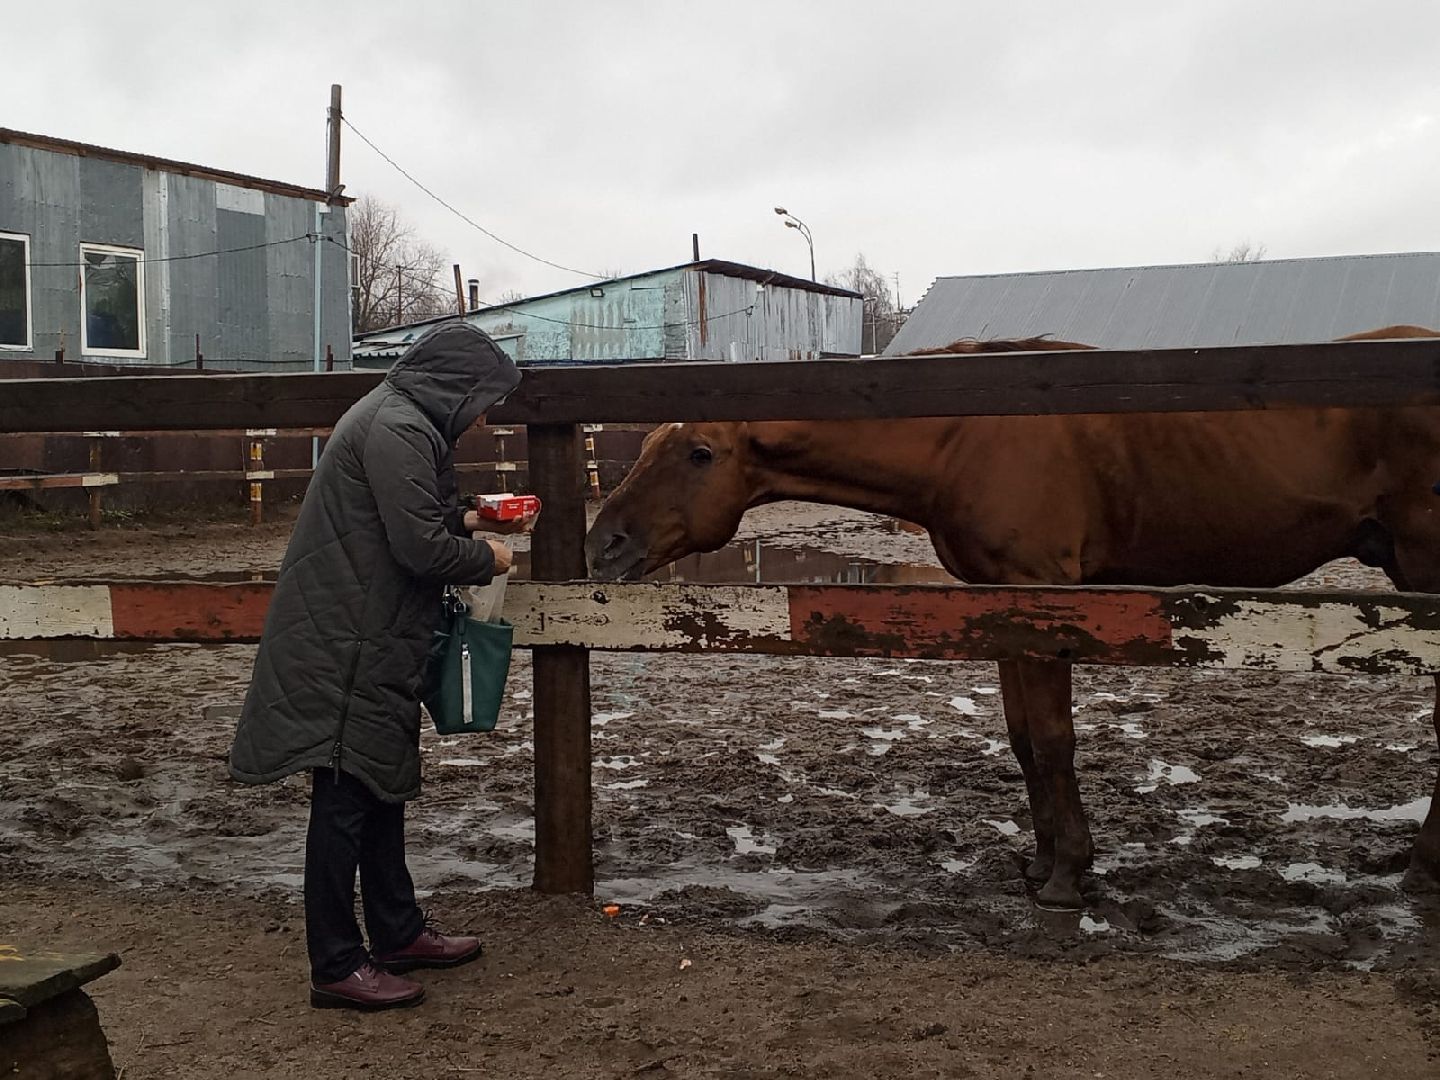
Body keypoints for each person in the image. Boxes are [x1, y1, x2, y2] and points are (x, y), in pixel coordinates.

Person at [229, 321, 535, 1011]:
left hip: (368, 632)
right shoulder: (397, 427)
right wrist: (492, 555)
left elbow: (409, 519)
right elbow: (418, 550)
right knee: (343, 797)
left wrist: (470, 518)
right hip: (347, 639)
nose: (485, 416)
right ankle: (336, 963)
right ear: (457, 386)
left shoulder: (398, 418)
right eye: (483, 399)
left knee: (378, 786)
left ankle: (397, 932)